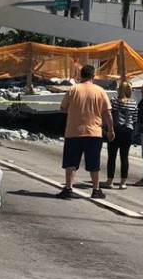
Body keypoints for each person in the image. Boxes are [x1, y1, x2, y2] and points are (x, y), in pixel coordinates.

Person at [57, 65, 115, 200]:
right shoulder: (100, 91)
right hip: (94, 132)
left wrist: (74, 111)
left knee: (71, 162)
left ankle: (68, 188)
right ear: (93, 76)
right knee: (94, 163)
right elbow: (108, 113)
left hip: (73, 131)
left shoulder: (73, 89)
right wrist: (111, 130)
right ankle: (96, 190)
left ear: (80, 76)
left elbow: (63, 108)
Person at [102, 81, 137, 190]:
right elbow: (135, 118)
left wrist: (106, 128)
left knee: (112, 156)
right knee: (124, 156)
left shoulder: (114, 101)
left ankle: (110, 180)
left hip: (116, 129)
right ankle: (123, 182)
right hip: (128, 130)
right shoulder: (133, 103)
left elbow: (110, 114)